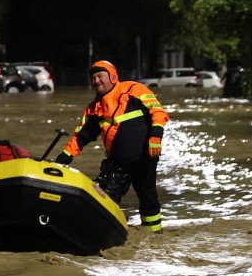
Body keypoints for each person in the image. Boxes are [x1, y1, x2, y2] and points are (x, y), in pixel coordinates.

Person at [54, 59, 170, 232]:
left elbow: (158, 113)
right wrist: (63, 158)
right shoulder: (94, 108)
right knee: (104, 195)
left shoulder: (134, 90)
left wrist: (155, 137)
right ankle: (104, 232)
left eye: (100, 76)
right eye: (93, 78)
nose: (96, 81)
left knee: (148, 198)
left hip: (144, 157)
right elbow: (81, 136)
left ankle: (154, 234)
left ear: (113, 76)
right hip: (117, 162)